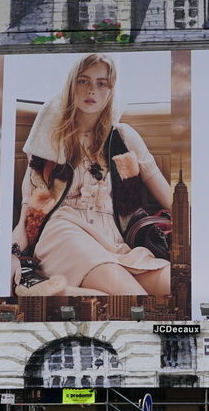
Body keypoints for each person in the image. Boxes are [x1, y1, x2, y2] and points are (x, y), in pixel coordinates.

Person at [10, 53, 173, 298]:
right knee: (134, 302)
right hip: (64, 235)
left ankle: (61, 292)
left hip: (116, 242)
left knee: (174, 286)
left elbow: (171, 199)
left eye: (101, 83)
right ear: (71, 86)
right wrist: (12, 254)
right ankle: (63, 291)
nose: (91, 91)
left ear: (110, 90)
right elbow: (27, 217)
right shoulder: (50, 143)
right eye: (83, 81)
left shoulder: (125, 137)